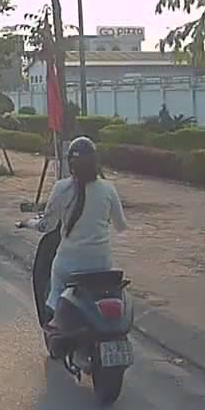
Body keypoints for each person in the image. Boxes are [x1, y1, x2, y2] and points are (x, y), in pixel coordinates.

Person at [23, 136, 129, 323]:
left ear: (70, 163)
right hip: (102, 264)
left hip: (68, 266)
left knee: (53, 296)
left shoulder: (61, 188)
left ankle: (53, 327)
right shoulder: (108, 189)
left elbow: (46, 226)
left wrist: (27, 223)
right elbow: (121, 226)